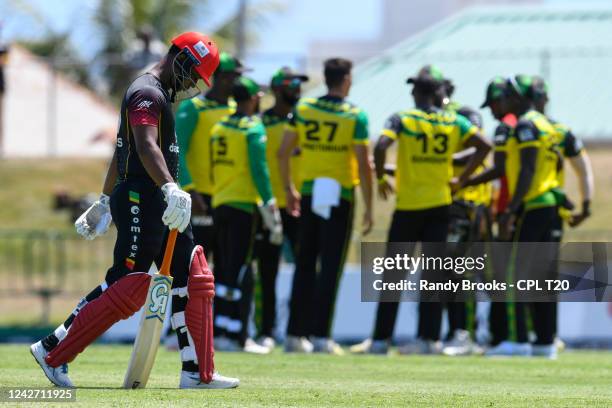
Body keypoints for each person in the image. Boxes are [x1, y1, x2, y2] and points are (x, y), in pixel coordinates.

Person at [29, 32, 239, 389]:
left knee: (194, 276)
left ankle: (197, 372)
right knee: (126, 285)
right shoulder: (147, 92)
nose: (191, 84)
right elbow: (143, 145)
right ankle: (53, 351)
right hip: (145, 197)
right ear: (180, 59)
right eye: (192, 74)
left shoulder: (158, 94)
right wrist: (168, 187)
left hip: (157, 197)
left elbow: (120, 150)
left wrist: (104, 199)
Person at [356, 65, 491, 355]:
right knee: (435, 275)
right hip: (440, 206)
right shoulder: (453, 121)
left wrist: (380, 176)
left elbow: (381, 145)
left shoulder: (403, 118)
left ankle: (381, 340)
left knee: (393, 275)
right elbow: (484, 145)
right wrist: (462, 178)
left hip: (408, 208)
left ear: (417, 92)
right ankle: (429, 340)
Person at [279, 58, 373, 354]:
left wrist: (289, 189)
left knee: (304, 264)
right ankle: (321, 337)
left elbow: (283, 153)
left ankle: (295, 335)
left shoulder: (304, 109)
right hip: (340, 194)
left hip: (309, 191)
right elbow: (364, 164)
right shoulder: (355, 115)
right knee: (330, 267)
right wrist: (370, 206)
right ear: (345, 79)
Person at [210, 77, 281, 354]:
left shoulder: (218, 127)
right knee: (239, 271)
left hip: (220, 202)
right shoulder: (253, 128)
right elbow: (259, 169)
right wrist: (270, 203)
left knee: (225, 269)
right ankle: (239, 336)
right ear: (252, 98)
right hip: (242, 206)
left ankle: (222, 332)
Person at [254, 67, 308, 349]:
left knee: (307, 270)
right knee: (266, 271)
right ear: (277, 89)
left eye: (299, 85)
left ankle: (300, 332)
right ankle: (267, 331)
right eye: (291, 85)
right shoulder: (260, 122)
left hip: (301, 206)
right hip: (270, 207)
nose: (297, 89)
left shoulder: (304, 122)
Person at [176, 52, 247, 259]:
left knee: (227, 264)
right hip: (201, 200)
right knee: (196, 263)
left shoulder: (238, 110)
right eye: (237, 77)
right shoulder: (194, 107)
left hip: (229, 198)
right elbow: (177, 150)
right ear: (224, 78)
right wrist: (190, 190)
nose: (240, 82)